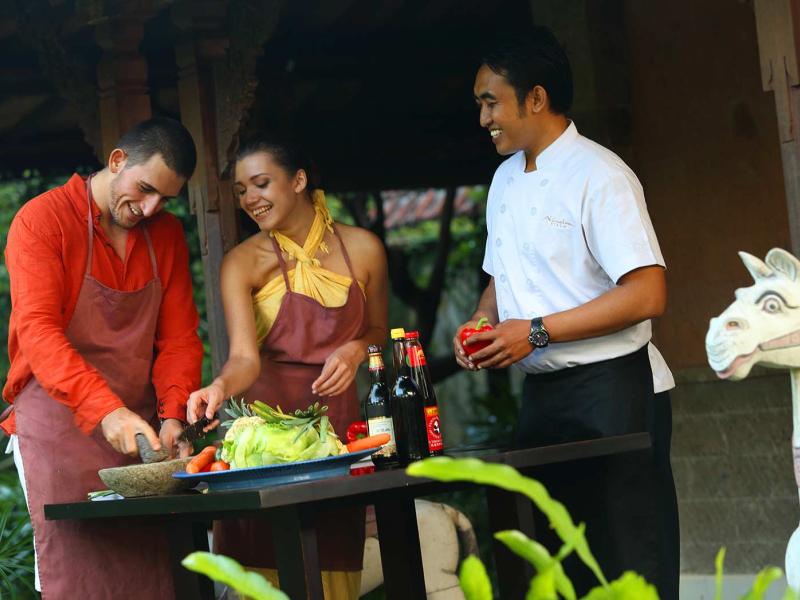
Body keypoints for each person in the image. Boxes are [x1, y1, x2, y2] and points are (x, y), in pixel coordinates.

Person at [453, 29, 680, 598]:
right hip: (544, 400)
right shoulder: (504, 179)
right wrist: (483, 324)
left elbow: (648, 293)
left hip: (616, 392)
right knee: (554, 567)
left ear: (535, 98)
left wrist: (534, 331)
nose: (483, 118)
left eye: (490, 101)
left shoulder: (600, 175)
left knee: (626, 563)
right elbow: (499, 279)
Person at [1, 117, 203, 599]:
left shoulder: (166, 233)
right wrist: (105, 409)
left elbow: (178, 338)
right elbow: (38, 332)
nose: (151, 207)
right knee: (79, 576)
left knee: (157, 572)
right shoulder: (41, 220)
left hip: (142, 430)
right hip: (59, 426)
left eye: (165, 199)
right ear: (116, 161)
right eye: (145, 189)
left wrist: (173, 414)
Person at [187, 135, 389, 599]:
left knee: (332, 574)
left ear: (299, 180)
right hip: (261, 452)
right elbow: (243, 358)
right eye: (241, 191)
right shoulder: (241, 262)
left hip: (335, 440)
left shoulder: (364, 248)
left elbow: (380, 331)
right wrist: (218, 387)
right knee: (260, 578)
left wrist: (356, 348)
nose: (250, 200)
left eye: (261, 184)